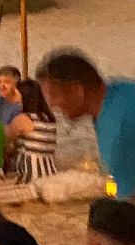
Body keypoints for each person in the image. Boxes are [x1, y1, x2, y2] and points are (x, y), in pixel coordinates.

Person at [36, 48, 135, 200]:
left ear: (78, 91)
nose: (52, 105)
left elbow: (128, 197)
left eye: (54, 96)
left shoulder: (114, 129)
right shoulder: (121, 91)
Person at [4, 77, 59, 184]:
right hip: (50, 175)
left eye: (16, 95)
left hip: (29, 177)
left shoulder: (23, 119)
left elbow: (2, 140)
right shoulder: (49, 119)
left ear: (24, 98)